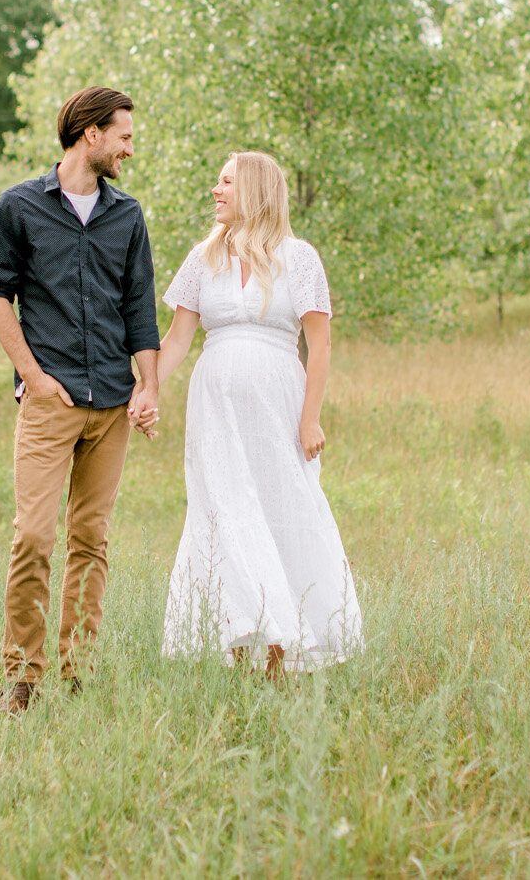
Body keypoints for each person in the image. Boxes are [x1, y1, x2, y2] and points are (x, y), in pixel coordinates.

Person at [0, 86, 161, 715]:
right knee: (33, 537)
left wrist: (150, 385)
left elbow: (140, 306)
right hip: (50, 397)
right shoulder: (20, 206)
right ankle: (21, 680)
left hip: (113, 400)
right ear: (91, 134)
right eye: (124, 137)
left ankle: (78, 671)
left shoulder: (127, 215)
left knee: (91, 539)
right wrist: (32, 373)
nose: (129, 149)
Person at [155, 150, 362, 679]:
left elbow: (319, 344)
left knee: (281, 511)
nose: (216, 191)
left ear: (253, 190)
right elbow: (179, 339)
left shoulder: (299, 257)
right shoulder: (204, 257)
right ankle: (241, 646)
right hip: (216, 408)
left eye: (226, 182)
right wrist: (147, 388)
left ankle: (285, 647)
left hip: (279, 405)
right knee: (223, 514)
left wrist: (310, 418)